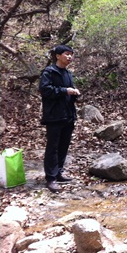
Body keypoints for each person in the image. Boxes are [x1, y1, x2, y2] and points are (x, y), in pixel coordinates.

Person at [39, 45, 81, 193]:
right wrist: (65, 91)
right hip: (54, 116)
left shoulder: (68, 73)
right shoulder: (49, 72)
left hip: (68, 115)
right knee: (53, 147)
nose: (69, 57)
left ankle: (58, 173)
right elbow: (45, 90)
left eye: (71, 54)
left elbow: (68, 93)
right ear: (57, 56)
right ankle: (50, 178)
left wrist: (74, 94)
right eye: (66, 54)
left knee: (64, 145)